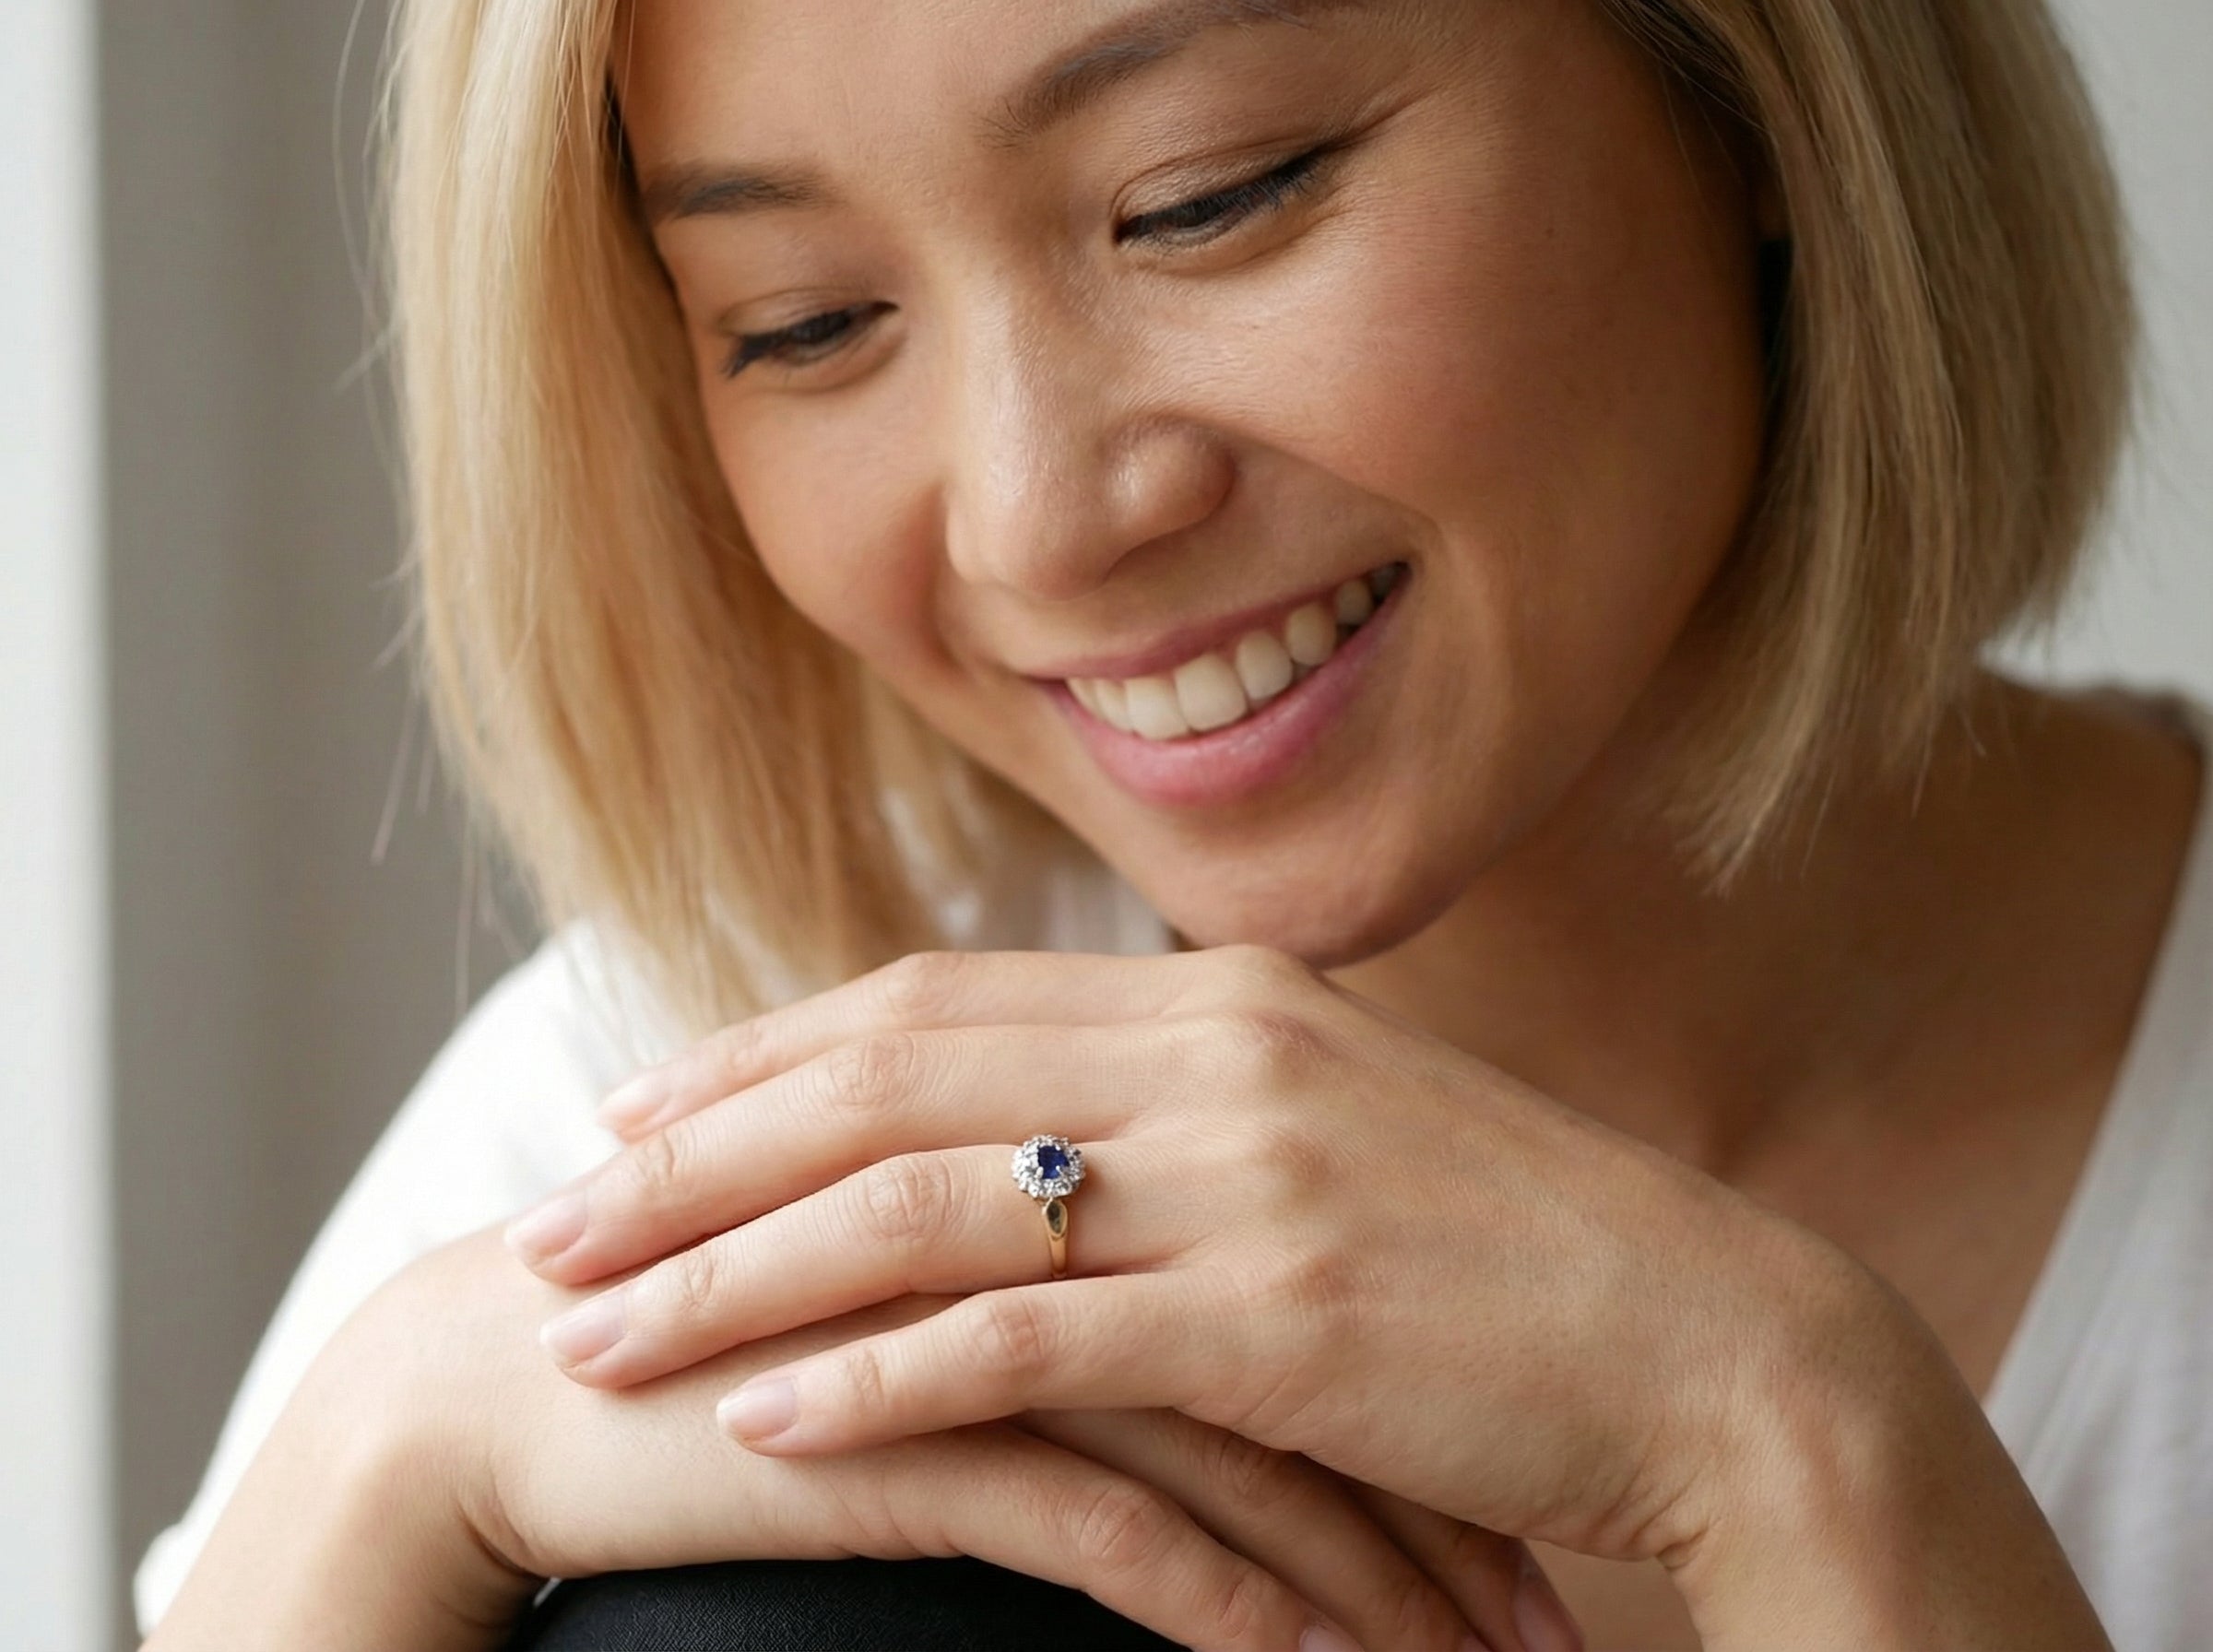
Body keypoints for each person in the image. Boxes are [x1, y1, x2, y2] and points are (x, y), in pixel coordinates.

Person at [135, 0, 2212, 1647]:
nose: (1037, 519)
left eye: (1209, 198)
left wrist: (1796, 1438)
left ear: (1750, 93)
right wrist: (378, 1457)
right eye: (805, 323)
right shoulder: (657, 1109)